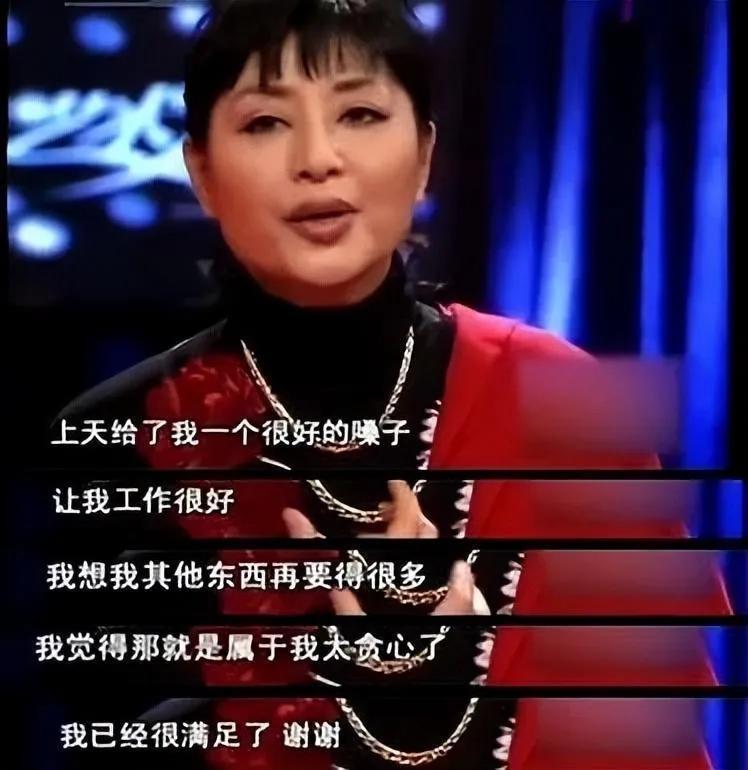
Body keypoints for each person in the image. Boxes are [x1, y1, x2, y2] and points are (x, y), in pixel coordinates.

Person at [51, 2, 730, 769]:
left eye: (361, 114)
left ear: (425, 154)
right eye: (266, 123)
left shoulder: (561, 399)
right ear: (201, 172)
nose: (318, 159)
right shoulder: (119, 435)